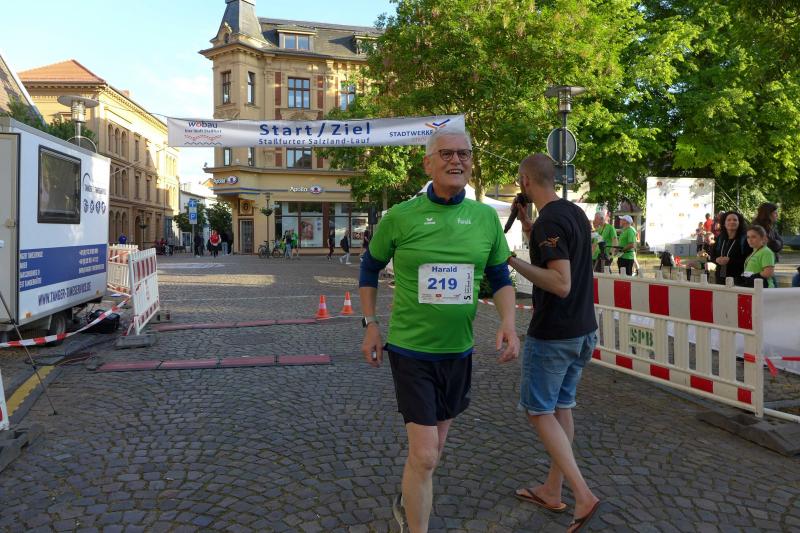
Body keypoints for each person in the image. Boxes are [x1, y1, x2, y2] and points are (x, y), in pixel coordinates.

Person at [359, 128, 519, 533]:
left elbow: (500, 276)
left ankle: (406, 497)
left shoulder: (485, 218)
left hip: (458, 352)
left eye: (464, 153)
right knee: (427, 454)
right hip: (411, 351)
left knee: (433, 451)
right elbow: (369, 267)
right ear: (427, 163)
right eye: (446, 153)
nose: (457, 160)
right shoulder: (400, 216)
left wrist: (508, 322)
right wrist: (371, 323)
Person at [507, 154, 601, 533]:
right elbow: (563, 252)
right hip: (583, 329)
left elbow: (560, 283)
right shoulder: (572, 213)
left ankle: (582, 494)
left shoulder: (550, 221)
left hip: (555, 333)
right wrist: (529, 227)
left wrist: (510, 260)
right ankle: (552, 488)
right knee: (562, 407)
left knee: (538, 411)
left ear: (525, 181)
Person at [709, 211, 751, 285]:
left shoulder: (745, 239)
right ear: (724, 223)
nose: (732, 222)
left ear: (739, 223)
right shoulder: (720, 238)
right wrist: (716, 259)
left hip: (738, 279)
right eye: (729, 220)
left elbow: (749, 259)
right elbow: (712, 255)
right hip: (720, 277)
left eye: (735, 220)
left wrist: (730, 260)